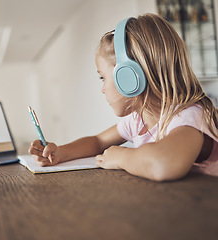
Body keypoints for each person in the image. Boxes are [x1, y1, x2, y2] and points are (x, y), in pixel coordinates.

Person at [29, 13, 218, 181]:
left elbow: (163, 164)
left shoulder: (189, 118)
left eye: (103, 77)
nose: (102, 89)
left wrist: (121, 157)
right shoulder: (138, 120)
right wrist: (60, 152)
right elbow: (98, 142)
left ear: (128, 77)